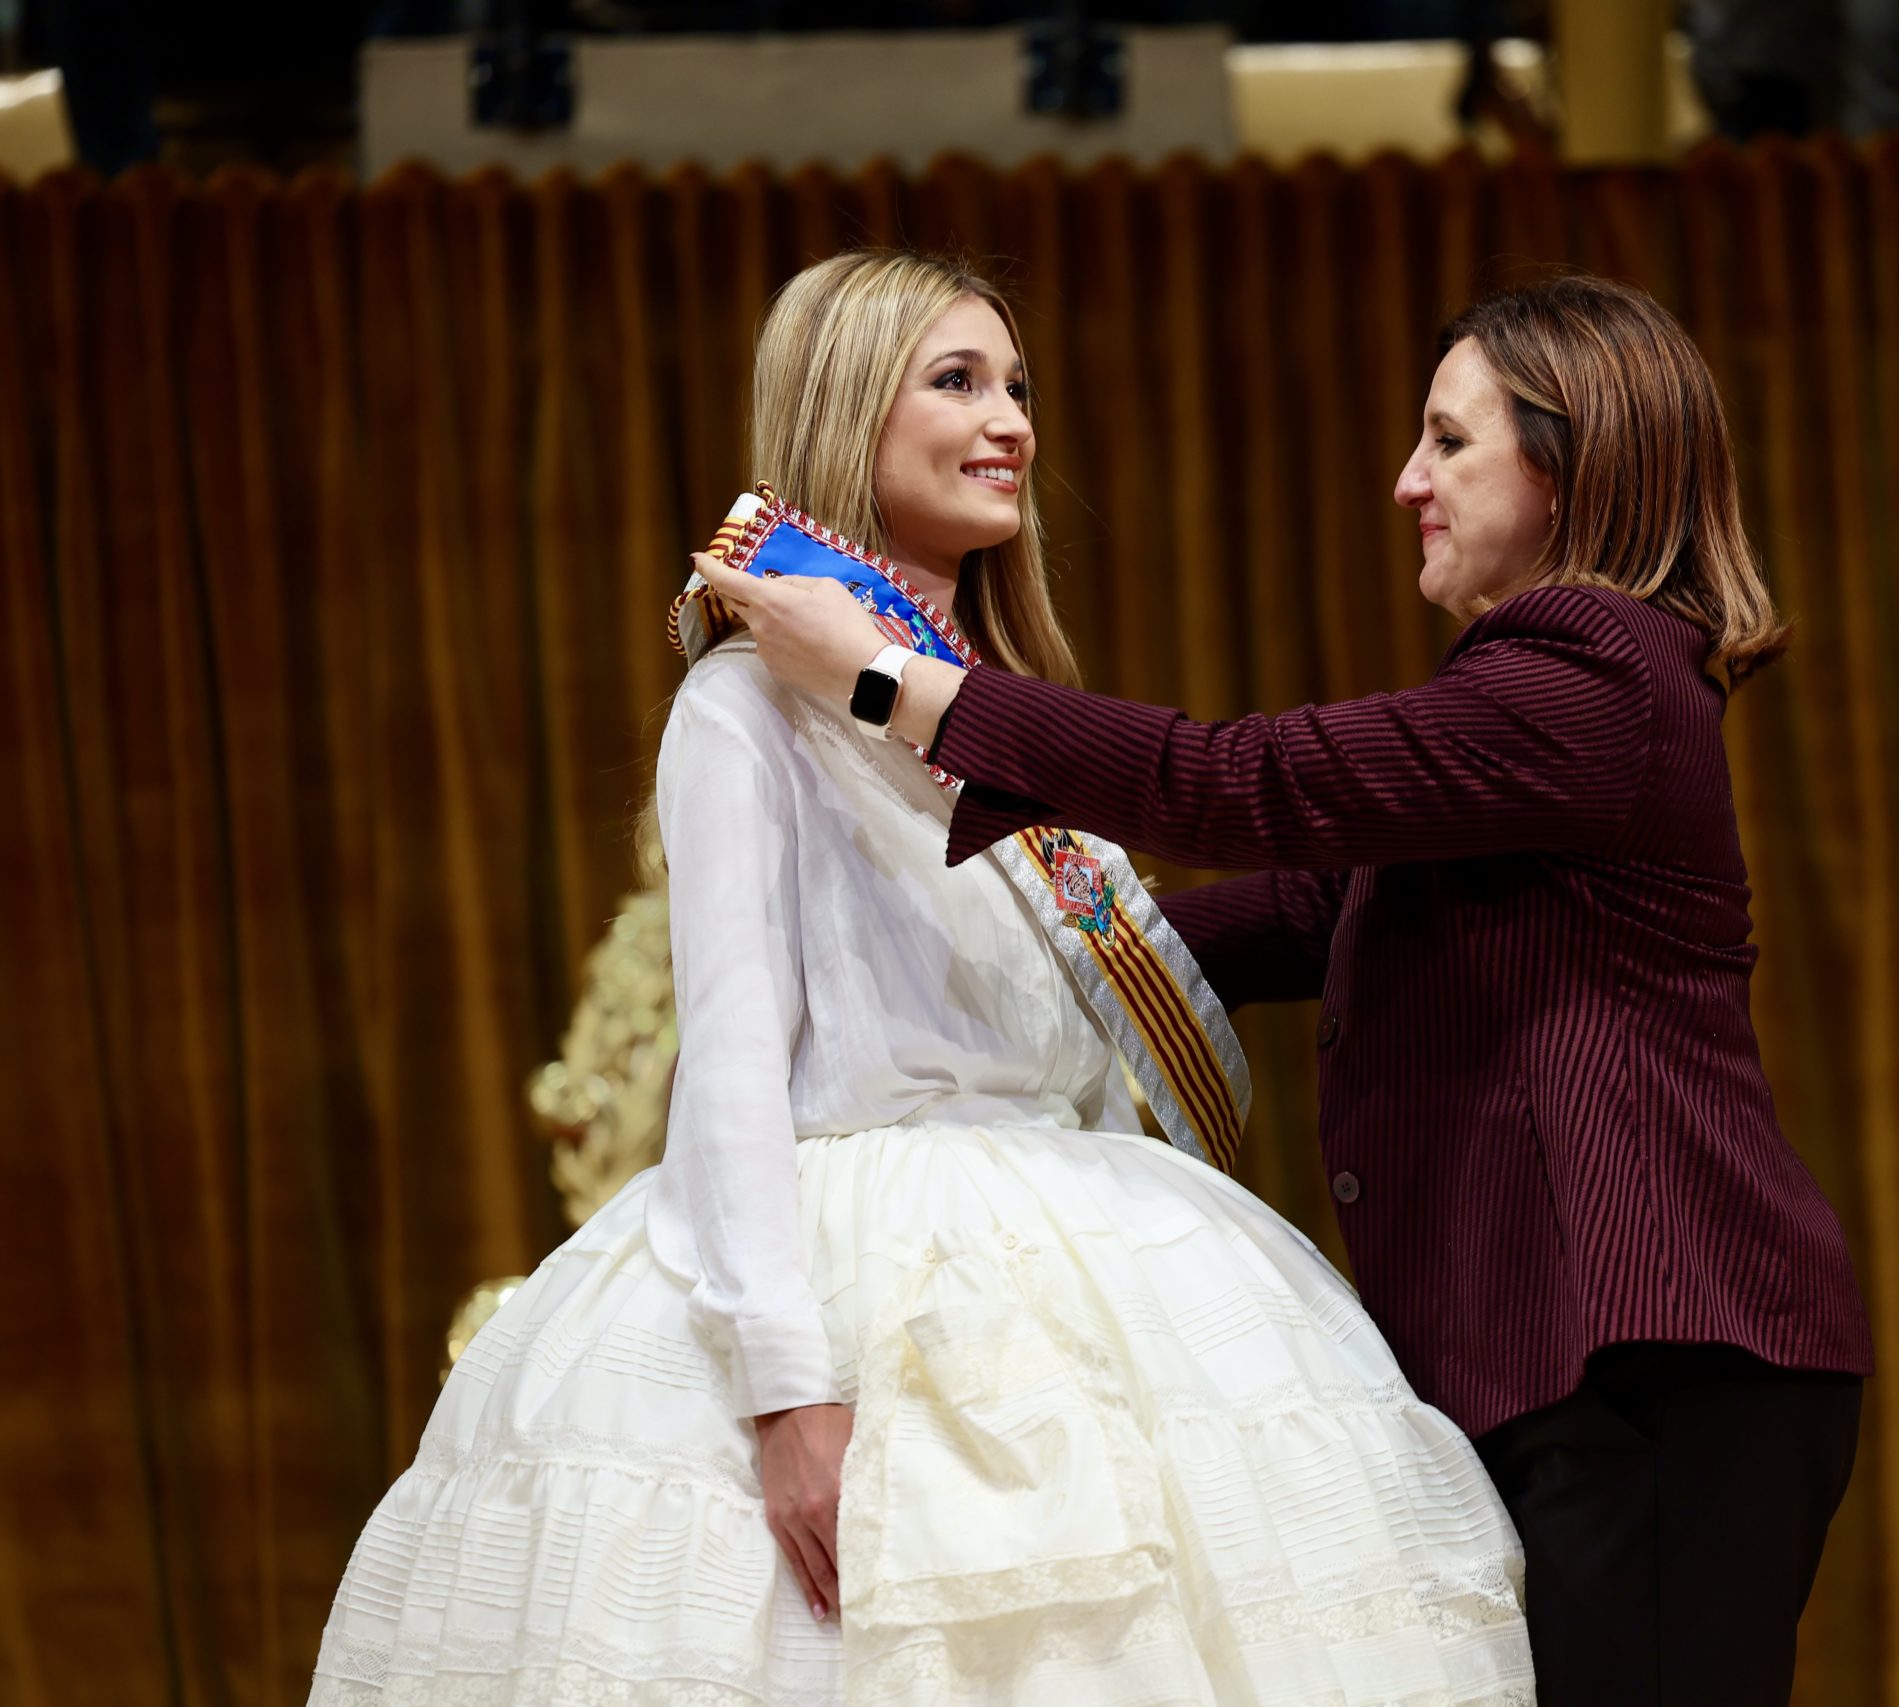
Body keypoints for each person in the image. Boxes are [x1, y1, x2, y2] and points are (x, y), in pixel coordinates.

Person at [306, 250, 1534, 1707]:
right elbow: (733, 1062)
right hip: (850, 1260)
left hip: (1072, 1244)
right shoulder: (745, 704)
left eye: (1017, 385)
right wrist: (787, 1389)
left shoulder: (993, 705)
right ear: (846, 411)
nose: (1011, 420)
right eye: (957, 382)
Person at [704, 273, 1874, 1707]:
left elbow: (1242, 784)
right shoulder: (1559, 694)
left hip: (1653, 1355)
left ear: (1571, 467)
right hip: (1590, 1364)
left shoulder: (1590, 677)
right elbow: (1303, 911)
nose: (1408, 482)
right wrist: (962, 971)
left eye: (1450, 441)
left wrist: (890, 683)